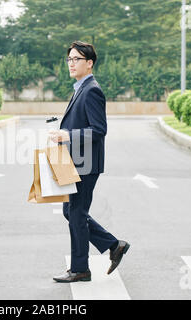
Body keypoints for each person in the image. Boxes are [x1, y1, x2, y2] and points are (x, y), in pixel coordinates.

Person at [49, 41, 130, 283]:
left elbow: (98, 130)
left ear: (90, 63)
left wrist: (68, 135)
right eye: (69, 59)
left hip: (86, 164)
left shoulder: (92, 89)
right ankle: (114, 245)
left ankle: (80, 269)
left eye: (77, 59)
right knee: (71, 211)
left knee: (76, 212)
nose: (71, 63)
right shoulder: (80, 88)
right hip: (75, 161)